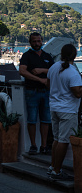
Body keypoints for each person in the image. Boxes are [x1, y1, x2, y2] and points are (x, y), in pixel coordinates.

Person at [47, 44, 82, 180]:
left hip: (54, 107)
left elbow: (48, 85)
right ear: (74, 55)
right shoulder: (73, 72)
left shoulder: (53, 67)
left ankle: (53, 166)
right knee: (64, 141)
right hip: (68, 110)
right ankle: (56, 171)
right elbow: (78, 94)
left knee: (56, 139)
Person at [19, 32, 55, 155]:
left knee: (46, 120)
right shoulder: (26, 56)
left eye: (39, 41)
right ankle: (33, 145)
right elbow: (22, 71)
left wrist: (42, 70)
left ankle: (44, 146)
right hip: (32, 91)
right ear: (30, 42)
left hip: (46, 92)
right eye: (34, 41)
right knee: (32, 120)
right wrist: (40, 80)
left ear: (42, 41)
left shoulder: (47, 56)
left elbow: (54, 70)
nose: (37, 43)